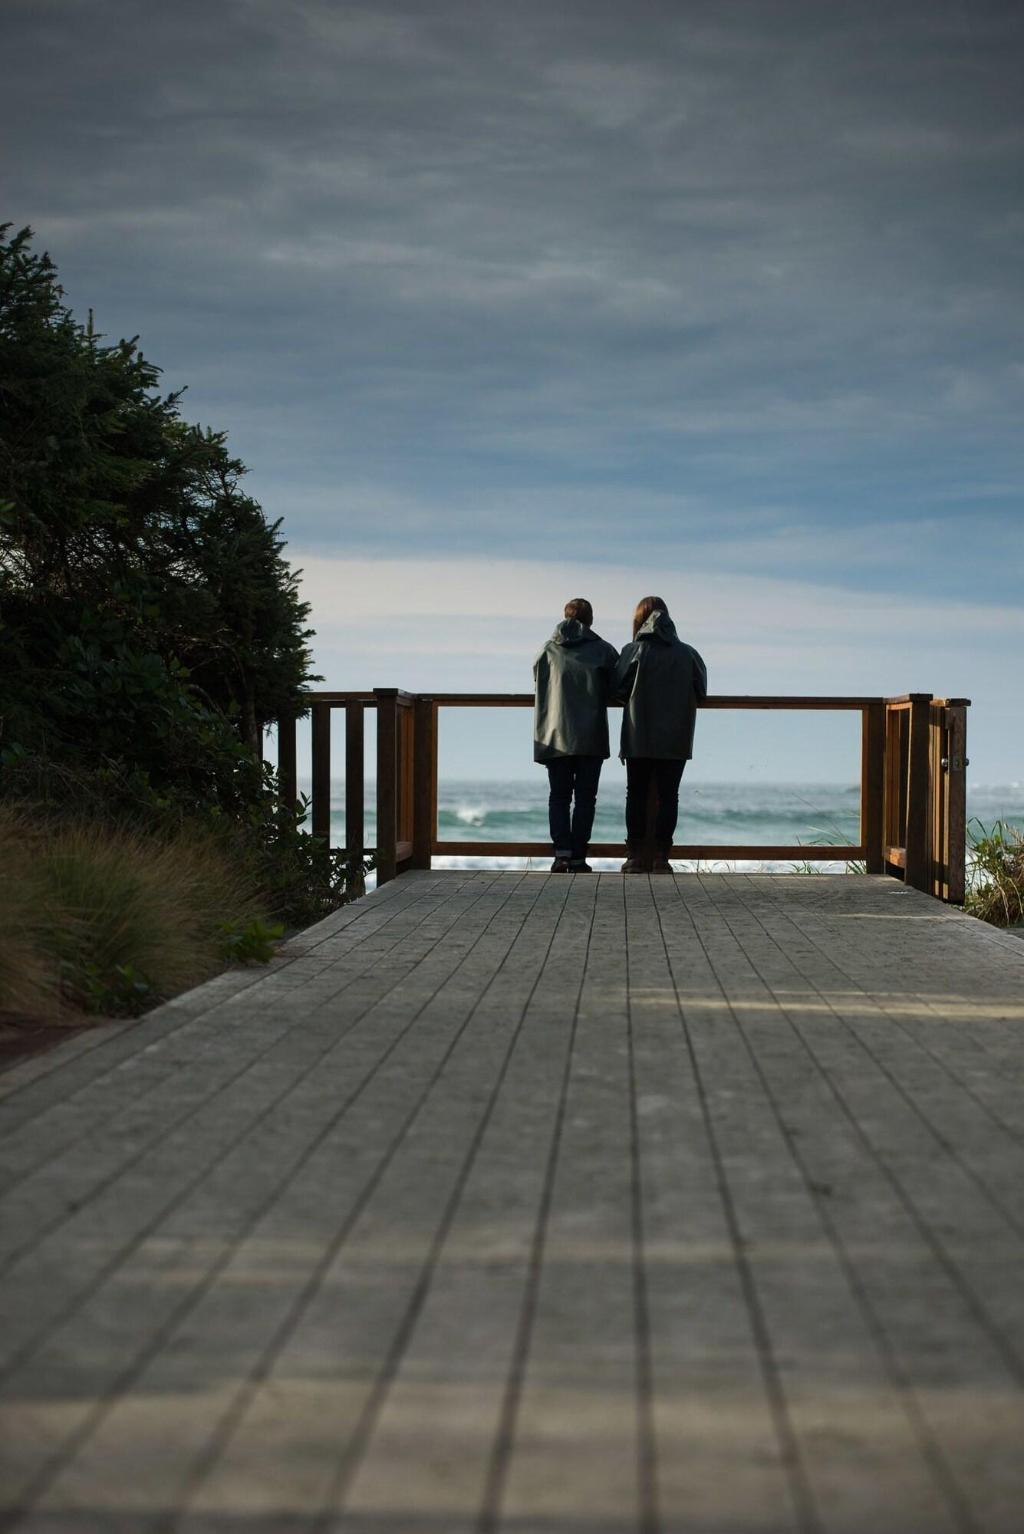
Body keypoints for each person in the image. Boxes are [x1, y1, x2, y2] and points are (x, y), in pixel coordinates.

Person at [615, 595, 707, 874]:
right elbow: (701, 691)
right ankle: (661, 858)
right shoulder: (688, 653)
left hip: (638, 733)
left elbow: (617, 689)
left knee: (636, 794)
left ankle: (634, 857)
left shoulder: (633, 650)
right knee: (669, 796)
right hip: (676, 735)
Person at [533, 597, 619, 872]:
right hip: (590, 735)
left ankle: (561, 855)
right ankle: (580, 856)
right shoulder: (603, 650)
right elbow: (618, 686)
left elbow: (537, 676)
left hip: (554, 734)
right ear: (590, 620)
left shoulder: (548, 649)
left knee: (558, 796)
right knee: (585, 798)